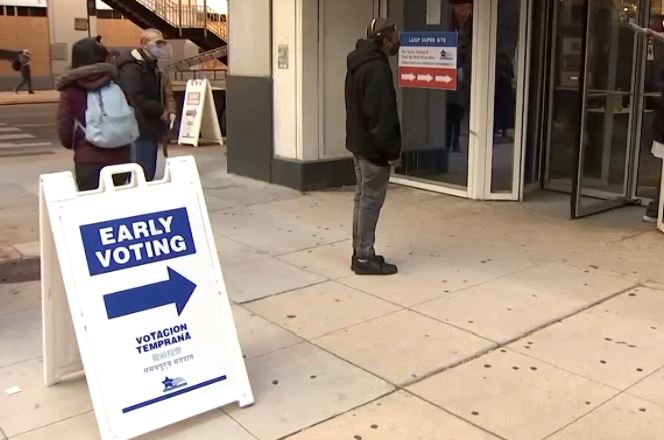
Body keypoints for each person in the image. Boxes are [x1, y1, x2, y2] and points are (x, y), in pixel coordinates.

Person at [345, 18, 402, 276]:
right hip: (373, 150)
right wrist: (391, 151)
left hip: (359, 144)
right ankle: (365, 256)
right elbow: (382, 115)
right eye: (394, 37)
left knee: (362, 199)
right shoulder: (377, 68)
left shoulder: (358, 63)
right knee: (370, 201)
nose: (396, 41)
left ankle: (361, 251)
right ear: (384, 38)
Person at [56, 38, 131, 191]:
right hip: (120, 156)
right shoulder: (116, 82)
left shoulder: (70, 90)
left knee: (92, 207)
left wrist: (77, 145)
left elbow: (65, 127)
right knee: (119, 208)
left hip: (88, 158)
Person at [115, 28, 174, 181]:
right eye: (157, 43)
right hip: (138, 126)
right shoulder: (132, 67)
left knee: (147, 170)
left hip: (148, 126)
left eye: (162, 44)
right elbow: (135, 97)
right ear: (144, 44)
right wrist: (160, 110)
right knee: (141, 173)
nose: (160, 48)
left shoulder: (151, 66)